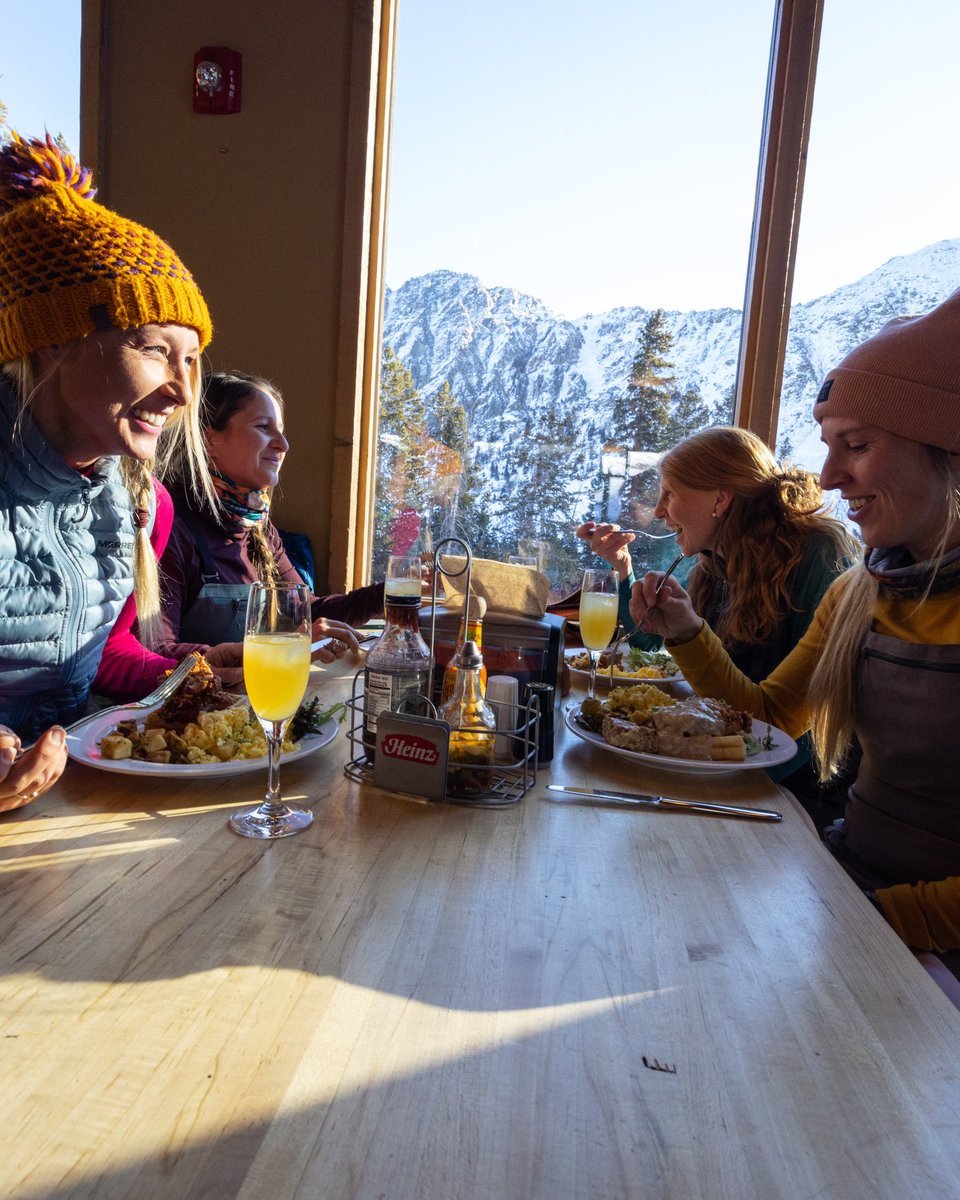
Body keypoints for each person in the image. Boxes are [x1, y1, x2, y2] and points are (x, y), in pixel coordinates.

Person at [629, 293, 960, 970]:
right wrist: (687, 631)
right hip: (848, 879)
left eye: (858, 444)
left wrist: (865, 920)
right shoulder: (859, 591)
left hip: (923, 940)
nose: (831, 476)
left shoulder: (828, 569)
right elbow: (773, 718)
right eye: (829, 443)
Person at [0, 130, 215, 810]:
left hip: (61, 814)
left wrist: (185, 672)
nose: (182, 392)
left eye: (191, 361)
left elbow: (98, 657)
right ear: (55, 342)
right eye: (155, 349)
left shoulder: (140, 499)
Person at [577, 426, 857, 808]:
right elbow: (652, 645)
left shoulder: (818, 559)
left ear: (720, 500)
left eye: (671, 493)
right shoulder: (714, 565)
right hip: (726, 763)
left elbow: (781, 725)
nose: (659, 511)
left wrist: (689, 632)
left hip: (787, 785)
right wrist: (624, 571)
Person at [155, 370, 380, 661]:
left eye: (282, 431)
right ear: (208, 439)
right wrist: (284, 650)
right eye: (263, 427)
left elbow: (307, 613)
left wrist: (390, 596)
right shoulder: (171, 525)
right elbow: (158, 655)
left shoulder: (257, 525)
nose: (283, 445)